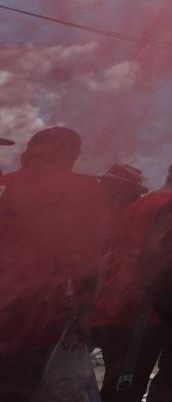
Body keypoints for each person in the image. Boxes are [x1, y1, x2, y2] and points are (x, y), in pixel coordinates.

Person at [0, 125, 110, 402]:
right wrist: (84, 312)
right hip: (37, 311)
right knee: (17, 386)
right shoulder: (85, 190)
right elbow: (88, 256)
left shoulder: (5, 184)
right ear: (72, 155)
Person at [93, 168, 172, 402]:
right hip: (140, 311)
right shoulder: (168, 204)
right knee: (125, 388)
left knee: (115, 384)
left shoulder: (139, 204)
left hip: (115, 305)